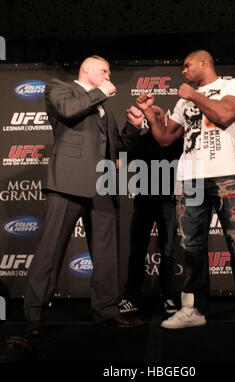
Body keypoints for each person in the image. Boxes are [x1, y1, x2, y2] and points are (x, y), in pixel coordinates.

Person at [136, 50, 235, 330]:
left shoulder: (233, 85)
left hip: (226, 175)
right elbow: (166, 139)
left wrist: (193, 95)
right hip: (190, 179)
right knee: (191, 248)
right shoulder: (184, 99)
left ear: (205, 63)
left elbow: (226, 114)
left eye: (187, 65)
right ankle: (193, 309)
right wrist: (150, 116)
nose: (183, 71)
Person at [24, 55, 144, 335]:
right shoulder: (59, 88)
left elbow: (118, 150)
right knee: (51, 250)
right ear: (87, 69)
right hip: (68, 181)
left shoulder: (104, 108)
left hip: (103, 186)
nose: (108, 75)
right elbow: (67, 110)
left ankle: (106, 310)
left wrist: (133, 127)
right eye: (105, 70)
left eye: (110, 72)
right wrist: (101, 92)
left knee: (105, 255)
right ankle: (34, 313)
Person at [118, 106, 182, 314]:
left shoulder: (176, 141)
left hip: (169, 202)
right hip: (143, 201)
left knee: (169, 251)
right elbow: (121, 159)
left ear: (166, 119)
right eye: (151, 116)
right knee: (137, 250)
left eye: (160, 115)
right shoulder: (141, 140)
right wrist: (132, 128)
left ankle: (170, 296)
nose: (156, 118)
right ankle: (131, 296)